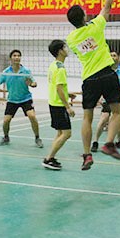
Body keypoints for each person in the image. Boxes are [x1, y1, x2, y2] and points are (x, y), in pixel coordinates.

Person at [66, 0, 120, 170]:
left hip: (89, 79)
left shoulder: (71, 39)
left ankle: (87, 155)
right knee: (117, 112)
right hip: (107, 74)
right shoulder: (96, 26)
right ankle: (109, 144)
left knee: (87, 118)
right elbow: (107, 7)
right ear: (84, 16)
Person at [0, 49, 43, 148]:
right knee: (6, 121)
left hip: (25, 98)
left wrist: (32, 84)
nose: (17, 57)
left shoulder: (25, 71)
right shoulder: (6, 72)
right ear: (10, 58)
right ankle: (6, 137)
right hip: (12, 100)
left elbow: (34, 83)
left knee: (32, 116)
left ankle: (37, 138)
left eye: (18, 56)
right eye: (14, 55)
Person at [42, 40, 75, 170]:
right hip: (59, 105)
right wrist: (68, 106)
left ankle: (50, 157)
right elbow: (59, 88)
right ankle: (48, 158)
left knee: (60, 133)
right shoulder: (60, 68)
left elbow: (57, 86)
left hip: (53, 102)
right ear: (60, 51)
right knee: (67, 134)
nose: (67, 49)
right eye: (65, 47)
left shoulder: (53, 65)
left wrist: (68, 94)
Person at [91, 51, 120, 152]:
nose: (112, 57)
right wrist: (99, 97)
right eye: (110, 56)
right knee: (103, 119)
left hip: (119, 100)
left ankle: (118, 141)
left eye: (114, 55)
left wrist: (119, 93)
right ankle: (95, 142)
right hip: (107, 100)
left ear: (119, 58)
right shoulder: (104, 71)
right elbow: (100, 85)